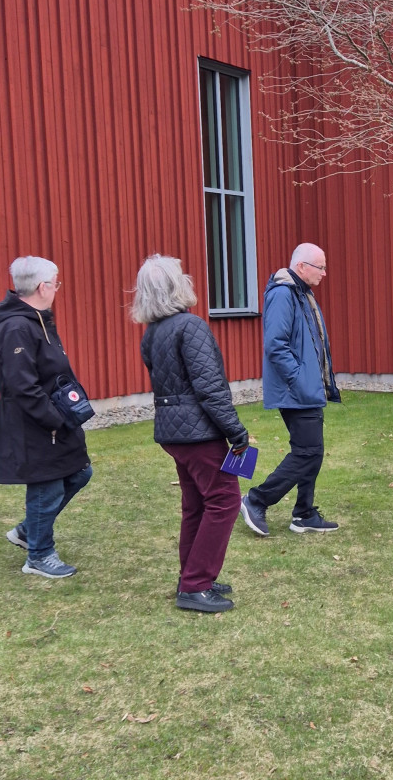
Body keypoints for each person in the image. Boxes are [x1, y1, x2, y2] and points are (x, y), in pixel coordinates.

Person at [134, 254, 250, 614]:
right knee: (224, 500)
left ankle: (192, 577)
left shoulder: (153, 333)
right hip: (198, 432)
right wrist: (236, 431)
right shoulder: (190, 326)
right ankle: (196, 584)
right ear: (176, 285)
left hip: (174, 431)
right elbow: (210, 388)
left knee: (197, 504)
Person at [0, 256, 92, 578]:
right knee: (47, 488)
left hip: (55, 419)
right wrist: (55, 421)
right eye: (56, 283)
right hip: (36, 423)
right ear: (42, 287)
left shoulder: (38, 320)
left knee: (79, 473)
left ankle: (27, 531)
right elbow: (22, 387)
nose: (57, 289)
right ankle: (39, 555)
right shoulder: (17, 327)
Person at [240, 243, 341, 537]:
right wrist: (300, 379)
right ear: (301, 267)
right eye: (321, 267)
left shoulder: (301, 294)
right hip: (296, 391)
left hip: (307, 390)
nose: (324, 273)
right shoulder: (284, 294)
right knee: (307, 452)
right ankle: (256, 500)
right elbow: (276, 345)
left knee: (313, 451)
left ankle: (304, 514)